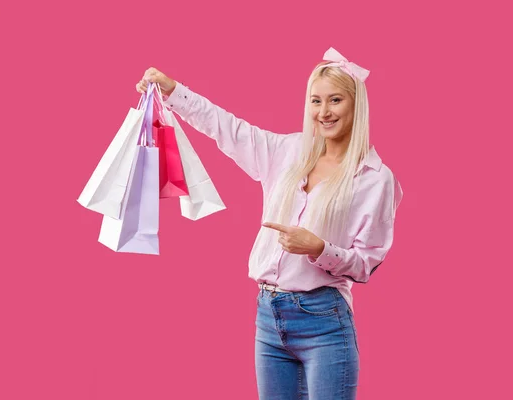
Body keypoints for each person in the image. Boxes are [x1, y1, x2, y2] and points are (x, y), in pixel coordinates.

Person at [136, 47, 403, 400]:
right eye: (316, 101)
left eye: (335, 100)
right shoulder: (286, 152)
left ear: (356, 105)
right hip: (268, 317)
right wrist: (174, 93)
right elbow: (227, 128)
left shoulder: (375, 179)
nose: (324, 112)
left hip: (324, 321)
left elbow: (365, 263)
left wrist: (318, 249)